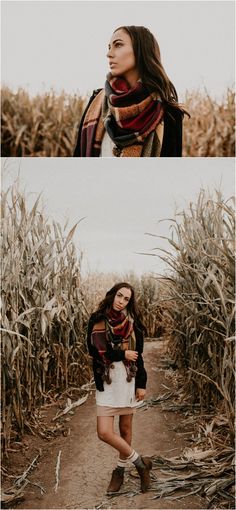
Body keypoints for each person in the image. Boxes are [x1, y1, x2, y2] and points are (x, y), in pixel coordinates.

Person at [73, 25, 187, 158]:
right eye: (109, 47)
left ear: (141, 50)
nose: (109, 54)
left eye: (118, 45)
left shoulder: (169, 114)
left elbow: (169, 174)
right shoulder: (96, 102)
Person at [86, 282, 152, 494]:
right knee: (104, 432)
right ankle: (140, 462)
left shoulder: (134, 325)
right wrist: (122, 354)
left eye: (126, 299)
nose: (121, 301)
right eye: (119, 295)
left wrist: (141, 384)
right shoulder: (97, 320)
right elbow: (96, 352)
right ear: (112, 294)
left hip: (128, 381)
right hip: (107, 382)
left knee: (125, 430)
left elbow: (139, 357)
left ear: (129, 302)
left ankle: (120, 471)